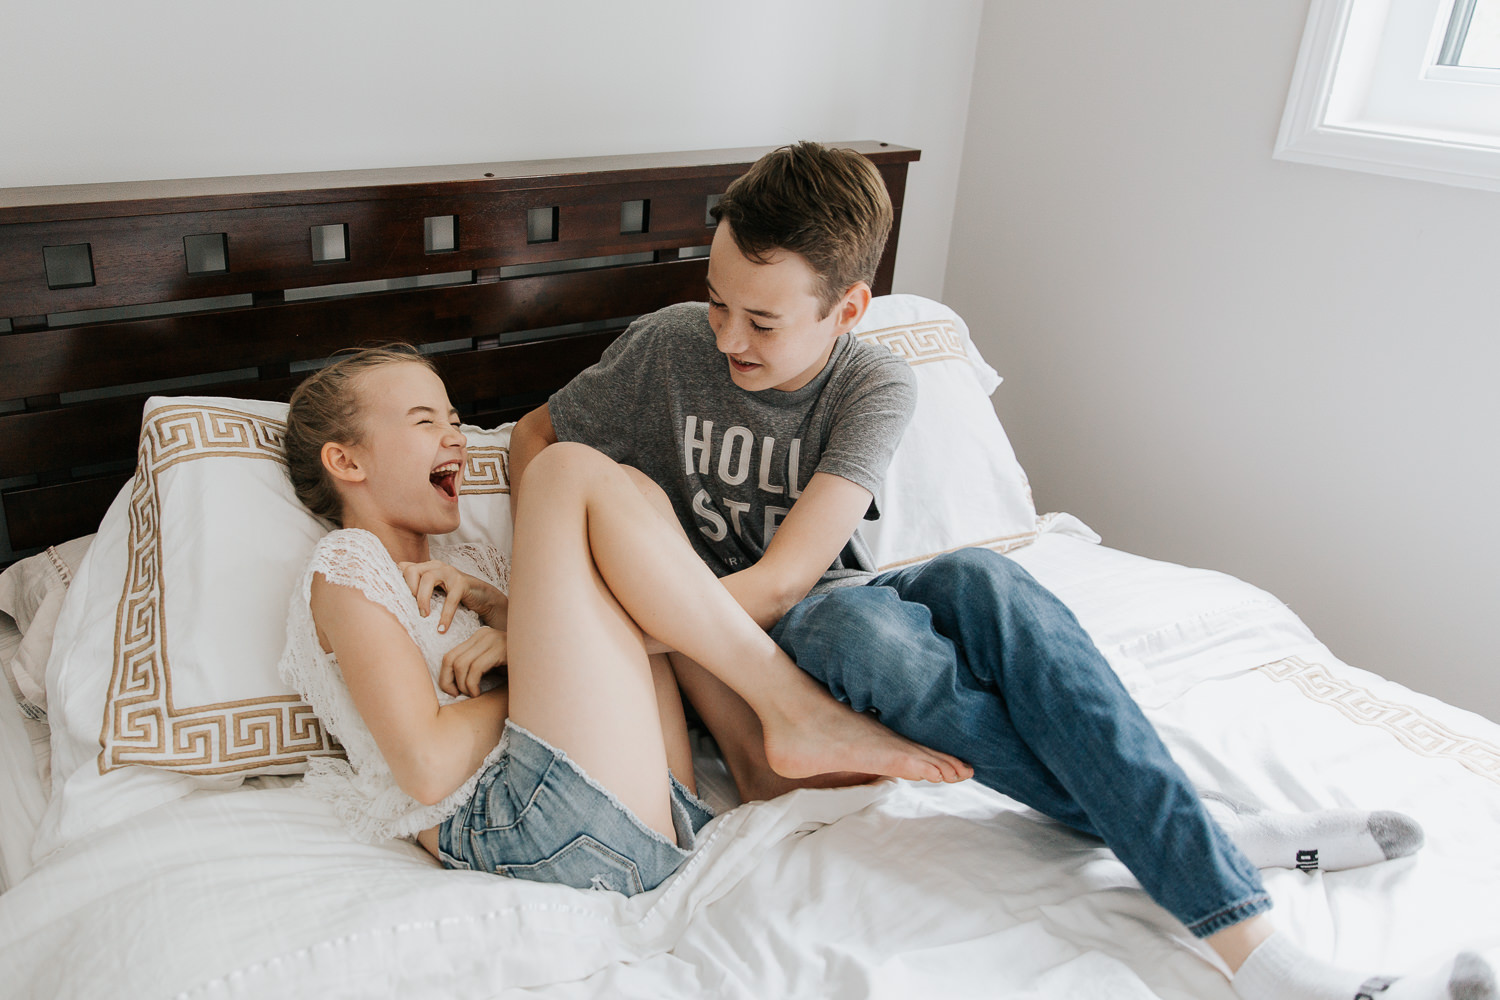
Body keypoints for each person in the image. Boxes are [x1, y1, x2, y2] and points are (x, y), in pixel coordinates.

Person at [506, 143, 1495, 999]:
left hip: (809, 598)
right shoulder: (669, 349)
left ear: (849, 307)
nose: (728, 337)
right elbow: (541, 437)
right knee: (853, 629)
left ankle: (1232, 876)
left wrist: (633, 621)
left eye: (763, 322)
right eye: (719, 302)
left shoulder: (876, 382)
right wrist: (556, 591)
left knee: (981, 579)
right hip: (774, 647)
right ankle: (1241, 887)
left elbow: (788, 574)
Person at [275, 346, 970, 898]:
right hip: (519, 826)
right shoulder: (347, 565)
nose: (454, 435)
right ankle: (787, 707)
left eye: (455, 419)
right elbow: (425, 767)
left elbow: (579, 667)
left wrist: (511, 622)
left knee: (634, 488)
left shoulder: (470, 565)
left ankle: (752, 754)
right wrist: (525, 664)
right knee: (562, 470)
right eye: (426, 420)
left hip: (646, 810)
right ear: (346, 460)